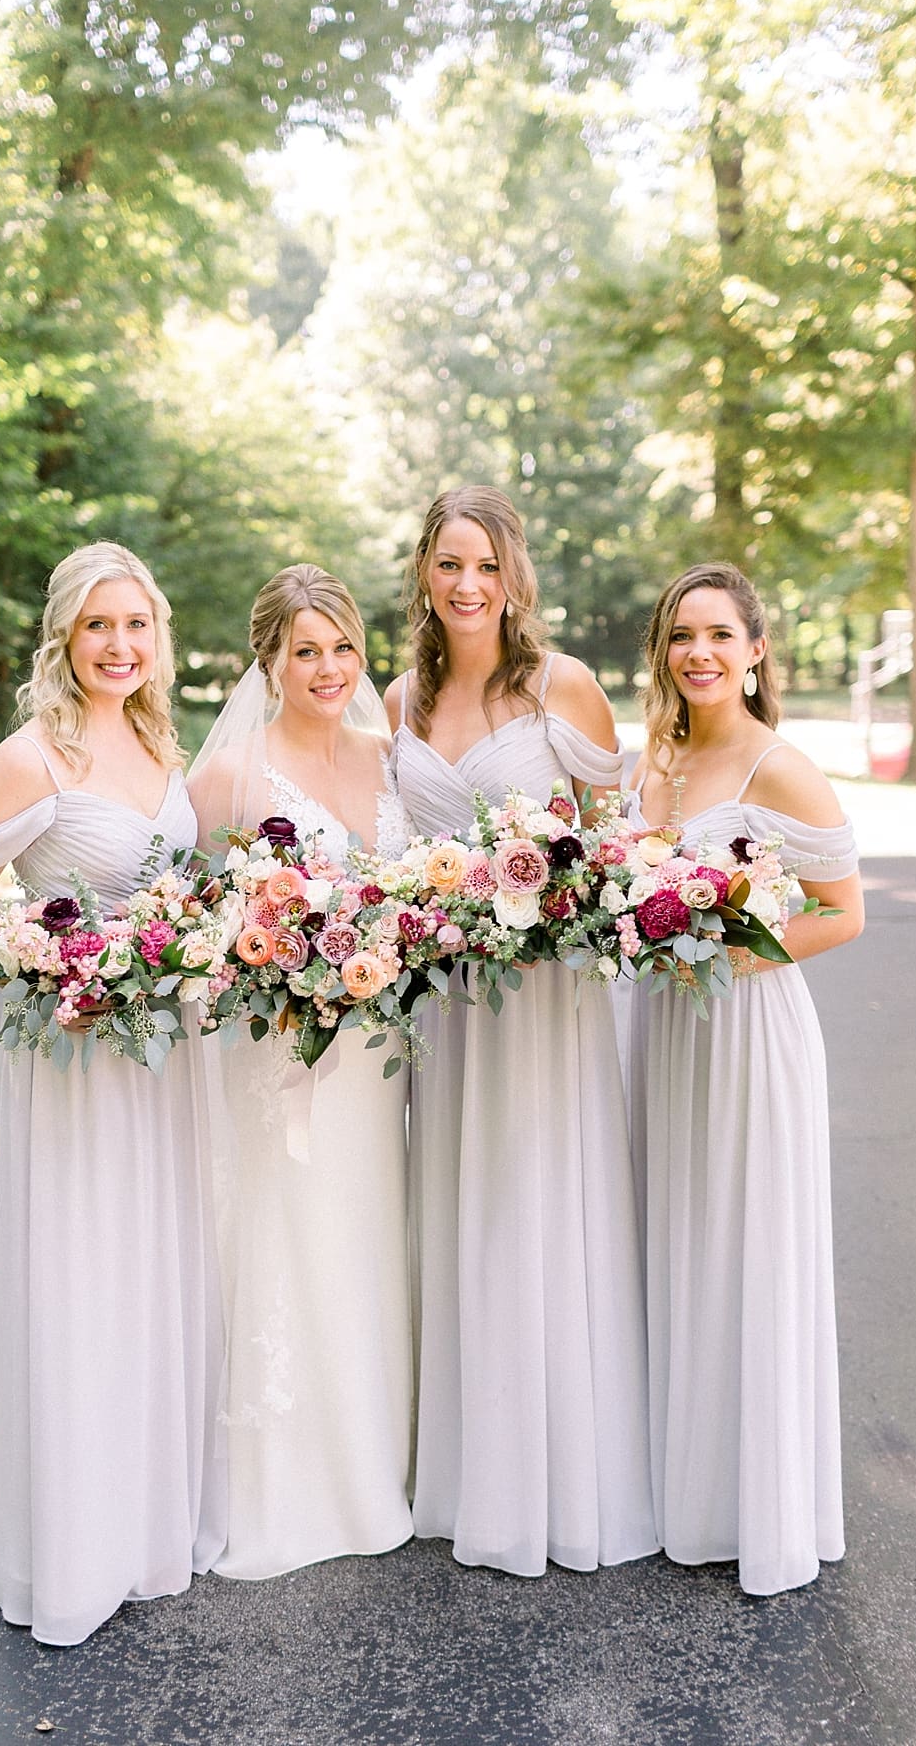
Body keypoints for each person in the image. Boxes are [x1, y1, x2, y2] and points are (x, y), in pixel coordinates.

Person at [0, 542, 225, 1645]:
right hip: (77, 1056)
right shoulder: (29, 759)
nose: (119, 646)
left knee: (155, 1271)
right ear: (65, 636)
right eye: (99, 627)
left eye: (136, 626)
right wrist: (44, 973)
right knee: (86, 1279)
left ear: (157, 638)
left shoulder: (157, 740)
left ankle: (149, 1523)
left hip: (164, 1057)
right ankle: (75, 1551)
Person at [385, 486, 657, 1576]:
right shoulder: (401, 700)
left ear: (515, 577)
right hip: (451, 1008)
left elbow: (617, 840)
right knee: (465, 1204)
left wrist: (554, 908)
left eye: (487, 566)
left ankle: (561, 1471)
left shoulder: (563, 689)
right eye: (449, 564)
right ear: (423, 573)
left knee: (541, 1202)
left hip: (546, 1001)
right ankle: (468, 1471)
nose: (467, 585)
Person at [623, 561, 865, 1596]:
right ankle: (691, 1488)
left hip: (750, 1031)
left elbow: (843, 911)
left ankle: (762, 1509)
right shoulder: (659, 758)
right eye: (683, 636)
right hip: (667, 1032)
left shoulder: (780, 768)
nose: (700, 654)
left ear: (756, 650)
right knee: (681, 1239)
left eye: (721, 635)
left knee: (750, 1248)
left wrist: (732, 953)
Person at [189, 563, 414, 1580]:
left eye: (341, 648)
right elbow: (190, 925)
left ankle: (380, 1453)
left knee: (369, 1230)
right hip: (278, 1055)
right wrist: (268, 955)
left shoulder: (392, 755)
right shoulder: (229, 777)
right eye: (304, 650)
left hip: (379, 1054)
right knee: (290, 1233)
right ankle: (290, 1476)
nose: (327, 668)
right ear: (269, 662)